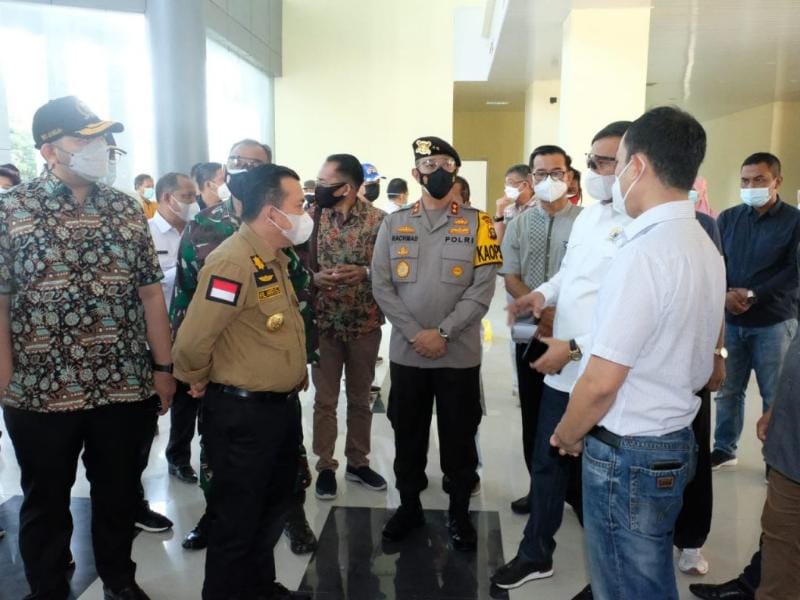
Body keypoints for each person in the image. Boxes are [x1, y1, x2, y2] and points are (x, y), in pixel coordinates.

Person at [0, 96, 175, 600]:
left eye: (101, 139)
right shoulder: (13, 209)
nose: (99, 148)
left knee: (119, 496)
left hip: (123, 385)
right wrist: (6, 375)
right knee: (45, 502)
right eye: (85, 138)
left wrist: (163, 367)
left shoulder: (124, 209)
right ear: (49, 149)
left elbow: (149, 295)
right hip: (39, 390)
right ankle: (49, 588)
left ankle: (119, 580)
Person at [548, 106, 725, 600]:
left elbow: (603, 379)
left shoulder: (645, 250)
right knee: (646, 576)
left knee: (627, 586)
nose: (613, 175)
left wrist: (567, 432)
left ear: (639, 166)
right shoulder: (700, 241)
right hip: (673, 435)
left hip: (631, 451)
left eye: (618, 163)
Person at [492, 121, 631, 591]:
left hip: (607, 376)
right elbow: (569, 276)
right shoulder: (592, 219)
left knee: (604, 475)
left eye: (602, 162)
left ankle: (612, 570)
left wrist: (572, 346)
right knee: (548, 459)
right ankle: (536, 552)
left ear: (636, 163)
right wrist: (539, 297)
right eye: (591, 160)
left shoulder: (641, 227)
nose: (593, 170)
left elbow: (633, 320)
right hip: (561, 368)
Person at [170, 139, 317, 556]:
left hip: (276, 404)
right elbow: (195, 336)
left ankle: (260, 586)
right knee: (237, 521)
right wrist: (196, 380)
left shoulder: (275, 255)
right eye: (299, 205)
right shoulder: (233, 261)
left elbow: (283, 322)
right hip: (244, 410)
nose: (304, 214)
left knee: (266, 512)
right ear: (272, 212)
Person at [372, 136, 502, 551]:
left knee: (459, 438)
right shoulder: (393, 224)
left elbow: (481, 291)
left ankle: (459, 512)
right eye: (429, 166)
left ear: (456, 171)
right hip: (407, 355)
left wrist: (442, 333)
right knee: (407, 435)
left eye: (446, 164)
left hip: (458, 356)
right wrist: (415, 334)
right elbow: (382, 284)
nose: (438, 172)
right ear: (416, 174)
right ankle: (408, 506)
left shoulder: (480, 224)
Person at [499, 145, 582, 515]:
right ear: (531, 179)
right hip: (530, 331)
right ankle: (539, 489)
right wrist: (540, 309)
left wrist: (555, 313)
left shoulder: (586, 223)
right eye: (541, 173)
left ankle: (578, 493)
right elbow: (510, 274)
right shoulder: (518, 224)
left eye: (556, 172)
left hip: (575, 337)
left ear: (570, 177)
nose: (548, 180)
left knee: (576, 408)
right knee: (534, 411)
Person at [712, 152, 800, 469]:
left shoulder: (794, 221)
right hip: (732, 321)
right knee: (728, 389)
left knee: (774, 395)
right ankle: (724, 448)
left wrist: (753, 293)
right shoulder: (728, 218)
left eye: (759, 180)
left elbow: (794, 270)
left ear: (777, 180)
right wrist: (724, 294)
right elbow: (716, 262)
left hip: (774, 321)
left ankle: (773, 460)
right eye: (745, 181)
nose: (751, 186)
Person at [307, 154, 387, 500]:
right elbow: (294, 265)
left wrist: (365, 273)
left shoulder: (379, 222)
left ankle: (358, 461)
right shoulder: (310, 219)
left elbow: (391, 270)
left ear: (348, 188)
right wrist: (314, 277)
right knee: (324, 400)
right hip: (323, 322)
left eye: (326, 183)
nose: (319, 188)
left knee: (359, 397)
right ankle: (325, 466)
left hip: (363, 322)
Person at [493, 164, 535, 244]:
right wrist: (499, 213)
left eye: (510, 183)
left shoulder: (540, 207)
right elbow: (496, 243)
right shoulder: (508, 210)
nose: (506, 188)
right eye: (506, 184)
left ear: (525, 185)